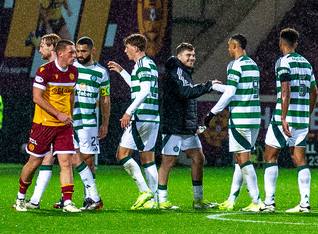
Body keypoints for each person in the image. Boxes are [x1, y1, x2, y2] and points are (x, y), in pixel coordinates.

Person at [14, 39, 80, 212]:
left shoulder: (74, 72)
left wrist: (69, 115)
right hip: (43, 124)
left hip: (64, 126)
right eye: (71, 53)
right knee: (34, 162)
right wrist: (58, 114)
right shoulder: (45, 71)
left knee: (66, 162)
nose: (75, 56)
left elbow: (71, 94)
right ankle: (21, 197)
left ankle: (67, 202)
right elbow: (37, 98)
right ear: (60, 54)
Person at [155, 42, 219, 210]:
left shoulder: (183, 72)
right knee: (168, 161)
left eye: (193, 55)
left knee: (199, 158)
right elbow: (186, 91)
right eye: (188, 55)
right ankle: (162, 200)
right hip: (174, 125)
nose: (192, 58)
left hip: (185, 126)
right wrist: (208, 85)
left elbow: (186, 96)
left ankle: (198, 200)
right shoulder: (176, 70)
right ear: (179, 57)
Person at [263, 28, 318, 213]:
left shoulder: (283, 62)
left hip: (283, 118)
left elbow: (285, 90)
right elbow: (314, 91)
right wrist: (307, 114)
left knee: (270, 156)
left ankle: (269, 203)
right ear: (296, 44)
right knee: (299, 159)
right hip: (302, 119)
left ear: (281, 43)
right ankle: (305, 203)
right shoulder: (307, 64)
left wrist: (284, 117)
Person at [210, 34, 264, 213]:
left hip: (240, 116)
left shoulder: (235, 65)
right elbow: (236, 89)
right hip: (255, 117)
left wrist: (213, 112)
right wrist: (215, 86)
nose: (228, 50)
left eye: (229, 47)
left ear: (234, 46)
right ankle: (231, 199)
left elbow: (231, 93)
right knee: (238, 160)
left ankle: (256, 201)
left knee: (243, 159)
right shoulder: (252, 64)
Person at [108, 33, 161, 210]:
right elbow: (138, 86)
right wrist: (122, 71)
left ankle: (145, 191)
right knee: (148, 158)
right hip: (153, 117)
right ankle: (153, 202)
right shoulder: (149, 64)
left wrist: (128, 112)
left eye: (127, 47)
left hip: (141, 116)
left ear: (136, 48)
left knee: (122, 154)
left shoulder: (142, 64)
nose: (125, 51)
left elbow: (144, 91)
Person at [67, 37, 109, 210]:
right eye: (77, 51)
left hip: (89, 122)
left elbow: (105, 99)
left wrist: (105, 123)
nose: (80, 54)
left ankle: (89, 198)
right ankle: (67, 198)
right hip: (69, 120)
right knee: (67, 159)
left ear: (93, 50)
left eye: (83, 51)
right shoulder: (71, 68)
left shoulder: (101, 72)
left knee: (88, 160)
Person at [24, 34, 61, 206]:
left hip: (62, 123)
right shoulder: (45, 70)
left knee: (73, 160)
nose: (39, 49)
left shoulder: (69, 70)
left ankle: (81, 198)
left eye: (42, 46)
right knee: (41, 160)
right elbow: (37, 98)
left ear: (52, 47)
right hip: (46, 122)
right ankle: (31, 199)